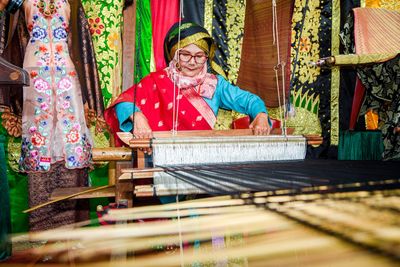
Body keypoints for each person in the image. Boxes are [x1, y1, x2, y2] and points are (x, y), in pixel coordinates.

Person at [0, 0, 104, 230]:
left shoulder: (72, 3)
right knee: (39, 140)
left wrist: (89, 96)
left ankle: (71, 228)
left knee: (71, 142)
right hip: (31, 77)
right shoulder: (19, 1)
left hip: (67, 76)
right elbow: (8, 38)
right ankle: (42, 229)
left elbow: (82, 46)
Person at [105, 21, 271, 148]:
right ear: (174, 55)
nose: (192, 62)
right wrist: (138, 117)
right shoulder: (157, 80)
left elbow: (249, 100)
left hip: (200, 157)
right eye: (185, 55)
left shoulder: (215, 84)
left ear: (207, 57)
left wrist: (261, 115)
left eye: (199, 56)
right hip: (159, 159)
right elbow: (123, 102)